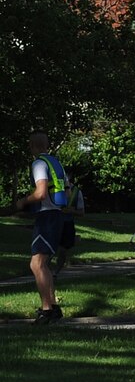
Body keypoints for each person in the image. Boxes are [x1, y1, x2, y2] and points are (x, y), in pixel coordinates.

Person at [14, 131, 69, 324]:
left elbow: (41, 192)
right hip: (57, 215)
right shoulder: (57, 164)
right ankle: (53, 307)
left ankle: (46, 310)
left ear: (32, 147)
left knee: (37, 264)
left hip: (46, 218)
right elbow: (67, 193)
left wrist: (23, 202)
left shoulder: (38, 164)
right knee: (42, 263)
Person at [52, 174, 86, 278]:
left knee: (63, 251)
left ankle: (55, 273)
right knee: (49, 249)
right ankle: (45, 271)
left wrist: (72, 211)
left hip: (67, 224)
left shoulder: (76, 192)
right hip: (53, 222)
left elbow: (82, 212)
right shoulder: (54, 189)